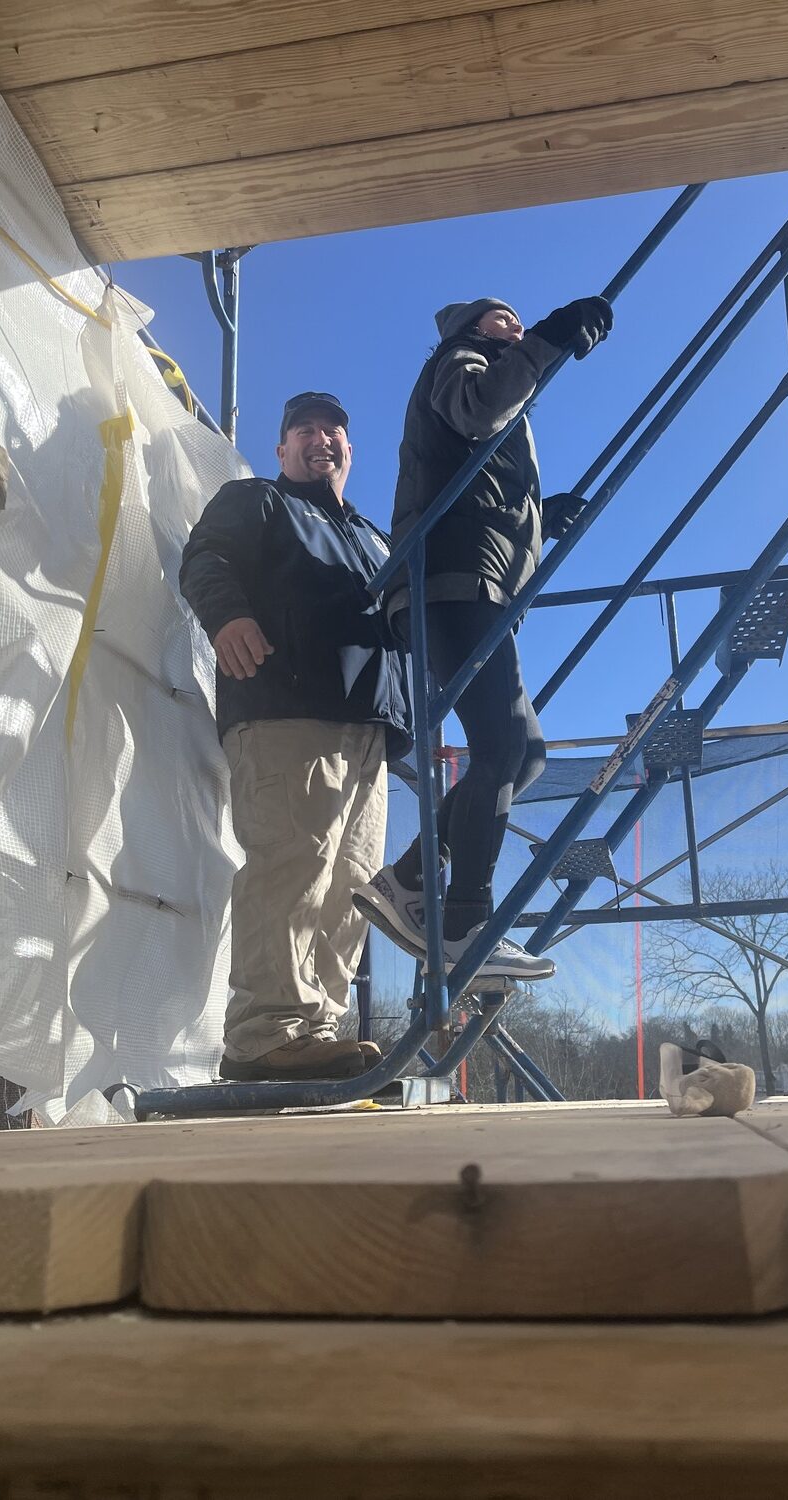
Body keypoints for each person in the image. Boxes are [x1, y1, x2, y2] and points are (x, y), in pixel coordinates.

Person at [354, 295, 612, 981]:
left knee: (522, 754)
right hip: (451, 577)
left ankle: (408, 879)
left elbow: (474, 466)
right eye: (503, 319)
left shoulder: (481, 369)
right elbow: (477, 409)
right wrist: (551, 339)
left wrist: (536, 515)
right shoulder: (459, 359)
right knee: (501, 746)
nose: (517, 327)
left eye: (522, 323)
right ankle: (466, 920)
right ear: (472, 327)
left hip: (475, 581)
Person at [179, 392, 411, 1081]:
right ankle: (264, 1034)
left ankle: (316, 1028)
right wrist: (226, 617)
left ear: (348, 449)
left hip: (370, 725)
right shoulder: (258, 502)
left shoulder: (374, 538)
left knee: (354, 886)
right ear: (282, 450)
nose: (321, 438)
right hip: (286, 706)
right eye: (304, 429)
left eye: (334, 428)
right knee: (293, 867)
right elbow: (205, 558)